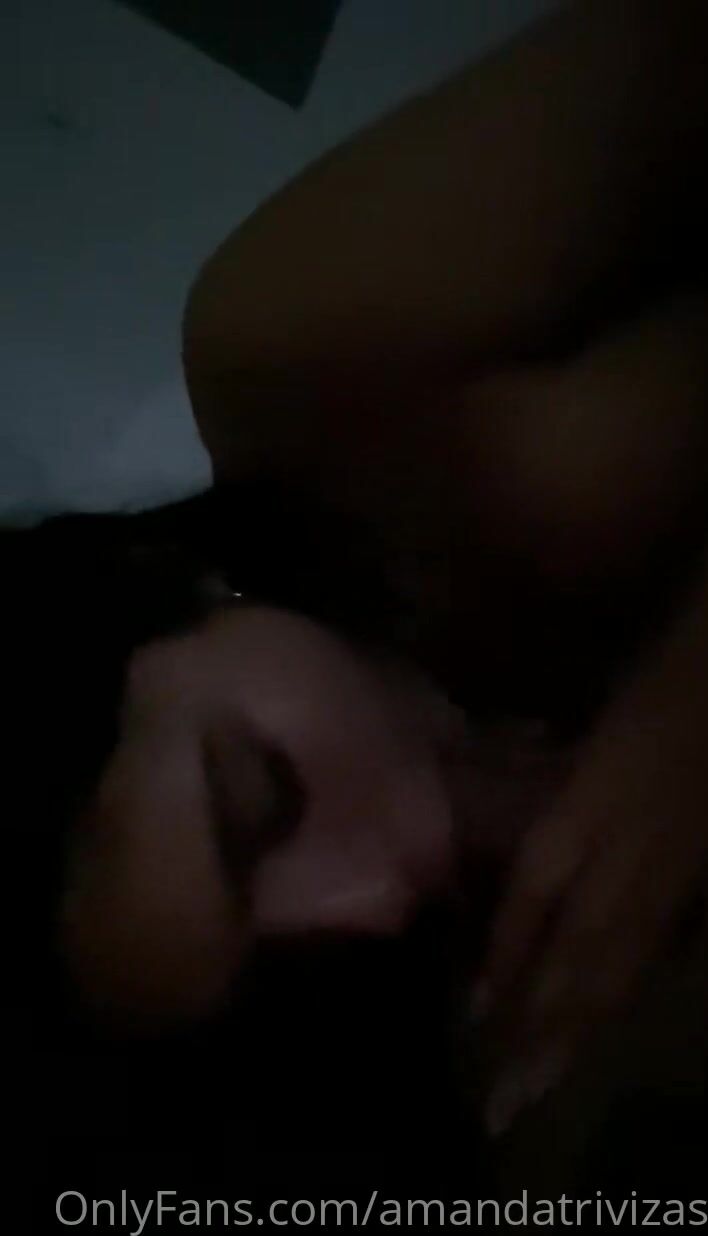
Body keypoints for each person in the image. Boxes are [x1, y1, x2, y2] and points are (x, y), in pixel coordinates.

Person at [25, 0, 706, 1173]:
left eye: (261, 799)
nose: (373, 899)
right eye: (303, 988)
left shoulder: (308, 360)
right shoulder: (519, 1044)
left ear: (183, 593)